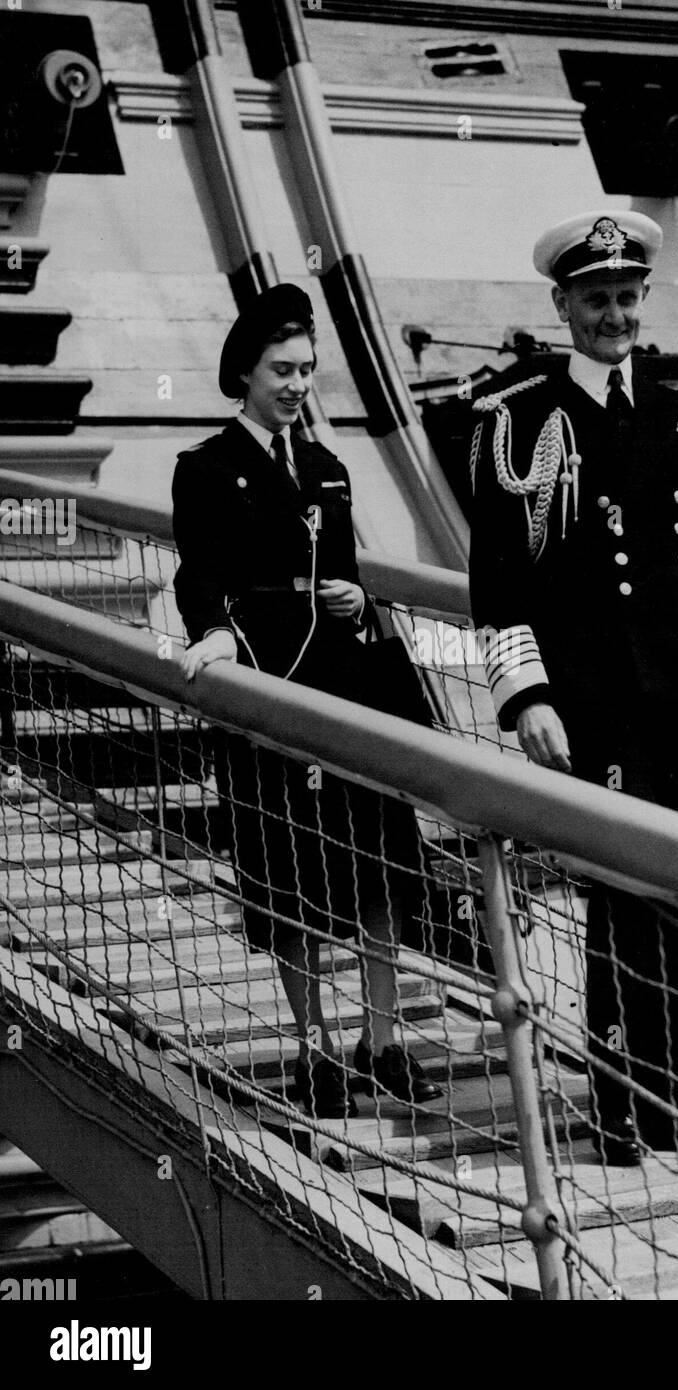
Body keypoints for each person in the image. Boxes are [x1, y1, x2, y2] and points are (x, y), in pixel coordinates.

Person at [468, 211, 678, 1165]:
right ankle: (617, 1101)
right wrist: (528, 696)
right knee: (624, 903)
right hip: (600, 705)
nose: (614, 315)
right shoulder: (518, 423)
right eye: (595, 299)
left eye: (627, 298)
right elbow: (497, 586)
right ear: (562, 306)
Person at [172, 283, 441, 1119]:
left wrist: (356, 599)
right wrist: (212, 631)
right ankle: (313, 1046)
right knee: (288, 871)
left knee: (379, 862)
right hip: (268, 680)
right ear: (243, 374)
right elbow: (198, 573)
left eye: (307, 371)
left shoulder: (328, 467)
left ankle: (383, 1037)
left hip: (344, 676)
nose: (296, 385)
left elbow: (347, 571)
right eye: (282, 370)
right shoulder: (208, 468)